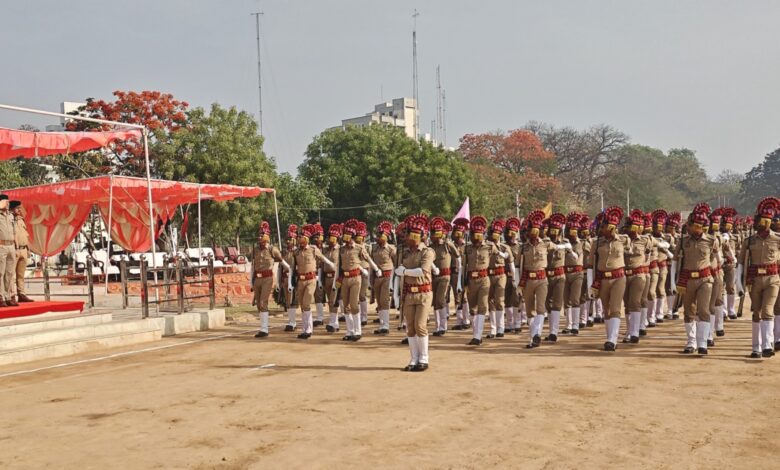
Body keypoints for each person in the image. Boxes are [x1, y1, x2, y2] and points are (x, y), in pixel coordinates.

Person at [738, 197, 780, 358]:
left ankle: (767, 345)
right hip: (754, 280)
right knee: (757, 313)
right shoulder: (749, 241)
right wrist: (739, 282)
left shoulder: (777, 239)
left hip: (772, 279)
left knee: (768, 311)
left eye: (760, 220)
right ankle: (756, 347)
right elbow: (741, 263)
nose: (757, 223)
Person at [674, 203, 718, 355]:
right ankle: (691, 341)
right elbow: (676, 261)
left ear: (697, 226)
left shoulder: (711, 241)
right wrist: (674, 280)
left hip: (705, 279)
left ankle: (703, 343)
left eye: (690, 225)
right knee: (689, 311)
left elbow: (716, 259)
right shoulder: (682, 241)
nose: (688, 227)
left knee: (703, 310)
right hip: (687, 280)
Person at [396, 214, 435, 371]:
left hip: (423, 293)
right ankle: (414, 359)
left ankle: (424, 358)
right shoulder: (405, 252)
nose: (408, 238)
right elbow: (398, 269)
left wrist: (405, 271)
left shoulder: (427, 252)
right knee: (410, 328)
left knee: (420, 325)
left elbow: (422, 271)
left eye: (412, 235)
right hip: (409, 293)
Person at [588, 207, 630, 352]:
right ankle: (609, 337)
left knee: (615, 308)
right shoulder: (597, 243)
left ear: (612, 227)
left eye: (604, 226)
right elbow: (590, 265)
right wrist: (590, 285)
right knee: (606, 309)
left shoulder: (624, 240)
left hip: (618, 278)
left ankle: (612, 339)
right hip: (602, 279)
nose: (601, 229)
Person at [520, 210, 561, 348]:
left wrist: (566, 247)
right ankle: (533, 337)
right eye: (531, 230)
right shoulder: (523, 247)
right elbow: (519, 266)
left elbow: (558, 247)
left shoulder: (545, 244)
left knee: (540, 307)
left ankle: (537, 334)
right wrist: (518, 283)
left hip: (542, 279)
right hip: (527, 280)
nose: (534, 233)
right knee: (529, 310)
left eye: (536, 230)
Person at [292, 224, 336, 340]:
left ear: (306, 238)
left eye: (301, 237)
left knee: (306, 303)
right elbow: (293, 266)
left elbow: (322, 258)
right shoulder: (296, 252)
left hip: (310, 280)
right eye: (298, 237)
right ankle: (304, 329)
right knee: (302, 305)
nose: (299, 239)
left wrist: (331, 264)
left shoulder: (313, 249)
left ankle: (309, 330)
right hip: (300, 280)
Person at [464, 216, 502, 345]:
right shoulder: (467, 248)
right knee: (472, 309)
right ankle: (476, 334)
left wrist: (506, 256)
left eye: (479, 235)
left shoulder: (490, 246)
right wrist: (462, 283)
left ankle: (477, 336)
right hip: (471, 280)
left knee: (482, 307)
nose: (476, 237)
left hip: (484, 279)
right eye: (474, 234)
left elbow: (501, 255)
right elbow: (463, 266)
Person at [339, 219, 379, 341]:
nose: (346, 238)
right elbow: (339, 266)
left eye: (348, 236)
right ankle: (349, 331)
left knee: (354, 305)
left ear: (352, 236)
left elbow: (368, 259)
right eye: (345, 235)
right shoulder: (342, 249)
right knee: (345, 306)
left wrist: (376, 269)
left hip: (355, 278)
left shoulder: (359, 248)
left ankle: (358, 331)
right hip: (345, 279)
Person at [251, 221, 287, 338]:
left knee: (263, 302)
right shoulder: (255, 249)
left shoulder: (272, 249)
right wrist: (251, 282)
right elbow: (253, 266)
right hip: (257, 279)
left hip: (267, 278)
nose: (259, 237)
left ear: (267, 236)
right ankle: (263, 327)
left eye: (262, 235)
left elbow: (281, 261)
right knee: (258, 304)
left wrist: (289, 270)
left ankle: (264, 329)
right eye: (259, 235)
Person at [622, 210, 652, 344]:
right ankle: (629, 331)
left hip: (639, 274)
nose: (635, 230)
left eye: (638, 227)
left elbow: (648, 255)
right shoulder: (622, 239)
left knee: (635, 302)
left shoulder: (645, 240)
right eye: (632, 227)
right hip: (624, 274)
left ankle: (635, 332)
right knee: (627, 304)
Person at [430, 217, 460, 336]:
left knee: (440, 299)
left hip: (445, 276)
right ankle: (437, 327)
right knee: (435, 301)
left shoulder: (447, 245)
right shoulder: (431, 247)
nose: (432, 236)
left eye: (434, 234)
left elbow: (458, 256)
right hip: (434, 277)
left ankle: (443, 326)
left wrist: (459, 272)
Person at [543, 213, 569, 342]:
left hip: (559, 276)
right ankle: (551, 330)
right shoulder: (545, 242)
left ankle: (554, 332)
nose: (554, 233)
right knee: (548, 303)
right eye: (552, 230)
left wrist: (570, 250)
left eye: (556, 230)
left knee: (557, 303)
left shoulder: (566, 242)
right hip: (547, 275)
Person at [487, 218, 513, 339]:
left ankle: (501, 328)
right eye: (493, 233)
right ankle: (493, 329)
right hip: (488, 275)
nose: (495, 235)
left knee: (499, 301)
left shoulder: (504, 247)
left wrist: (514, 279)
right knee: (490, 302)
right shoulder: (485, 246)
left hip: (501, 275)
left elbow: (510, 261)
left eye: (497, 233)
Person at [371, 221, 396, 335]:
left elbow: (395, 264)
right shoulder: (374, 248)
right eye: (378, 235)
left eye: (381, 235)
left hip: (387, 276)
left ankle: (386, 325)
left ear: (386, 237)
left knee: (384, 300)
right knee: (379, 302)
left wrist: (393, 282)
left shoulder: (391, 248)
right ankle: (381, 325)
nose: (378, 237)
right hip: (377, 277)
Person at [563, 212, 585, 335]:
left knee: (575, 299)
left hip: (577, 273)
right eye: (571, 230)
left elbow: (577, 257)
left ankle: (575, 325)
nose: (573, 233)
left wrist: (570, 249)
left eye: (575, 231)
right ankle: (568, 324)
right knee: (566, 300)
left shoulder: (580, 243)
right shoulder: (563, 242)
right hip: (565, 272)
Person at [450, 218, 471, 331]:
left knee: (465, 297)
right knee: (457, 297)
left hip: (464, 274)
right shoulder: (451, 246)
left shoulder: (466, 247)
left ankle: (466, 320)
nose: (458, 236)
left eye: (460, 234)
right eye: (456, 234)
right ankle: (459, 321)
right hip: (454, 273)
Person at [10, 201, 32, 303]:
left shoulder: (21, 220)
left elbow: (25, 235)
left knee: (21, 275)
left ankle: (21, 294)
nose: (19, 210)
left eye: (20, 208)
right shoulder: (9, 220)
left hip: (23, 249)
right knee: (11, 275)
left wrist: (28, 249)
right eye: (17, 208)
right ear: (12, 209)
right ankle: (11, 295)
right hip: (14, 249)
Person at [504, 217, 523, 333]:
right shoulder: (503, 246)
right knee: (507, 299)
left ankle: (517, 323)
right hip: (505, 275)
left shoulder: (520, 247)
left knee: (517, 299)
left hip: (516, 275)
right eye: (509, 233)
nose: (511, 235)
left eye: (513, 233)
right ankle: (509, 323)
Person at [323, 224, 342, 333]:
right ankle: (334, 323)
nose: (330, 239)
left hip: (336, 277)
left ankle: (333, 323)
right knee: (330, 301)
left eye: (332, 237)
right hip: (327, 278)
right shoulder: (325, 250)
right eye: (329, 237)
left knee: (333, 300)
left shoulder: (340, 249)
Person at [281, 225, 298, 332]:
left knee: (293, 301)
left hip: (294, 278)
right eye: (287, 239)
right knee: (287, 301)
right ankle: (291, 321)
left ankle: (293, 322)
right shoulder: (284, 252)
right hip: (285, 278)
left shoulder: (297, 252)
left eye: (290, 239)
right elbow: (280, 268)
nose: (288, 241)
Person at [0, 194, 16, 308]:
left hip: (11, 245)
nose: (8, 203)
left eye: (8, 202)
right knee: (1, 273)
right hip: (1, 245)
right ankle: (1, 296)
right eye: (6, 201)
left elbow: (13, 231)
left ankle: (8, 296)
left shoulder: (10, 215)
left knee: (9, 273)